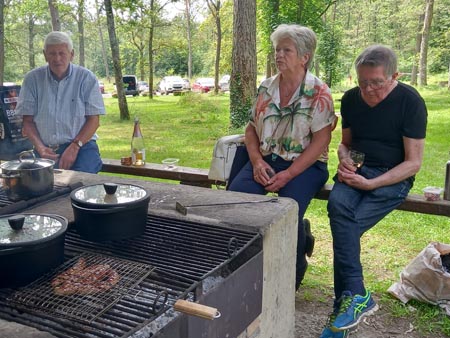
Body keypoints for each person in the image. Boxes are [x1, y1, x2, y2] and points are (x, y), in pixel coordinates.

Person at [320, 45, 427, 338]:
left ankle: (347, 304)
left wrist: (372, 184)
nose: (368, 89)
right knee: (337, 208)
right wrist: (344, 160)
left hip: (393, 177)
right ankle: (354, 301)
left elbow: (413, 163)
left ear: (394, 76)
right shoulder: (352, 99)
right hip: (358, 168)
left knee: (347, 225)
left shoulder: (410, 102)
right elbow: (345, 144)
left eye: (376, 82)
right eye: (362, 81)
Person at [228, 24, 337, 290]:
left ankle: (293, 271)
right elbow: (251, 128)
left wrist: (289, 173)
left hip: (306, 165)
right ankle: (242, 267)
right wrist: (256, 161)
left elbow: (322, 140)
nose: (279, 55)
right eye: (277, 50)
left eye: (286, 50)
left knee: (286, 212)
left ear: (304, 56)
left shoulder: (319, 93)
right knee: (234, 203)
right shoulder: (266, 87)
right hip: (265, 160)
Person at [16, 31, 105, 173]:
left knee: (81, 184)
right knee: (38, 189)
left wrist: (75, 146)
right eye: (51, 53)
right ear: (45, 55)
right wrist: (41, 149)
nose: (57, 58)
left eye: (62, 53)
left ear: (72, 54)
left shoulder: (86, 78)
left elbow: (94, 120)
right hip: (44, 148)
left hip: (82, 146)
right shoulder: (32, 79)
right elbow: (28, 121)